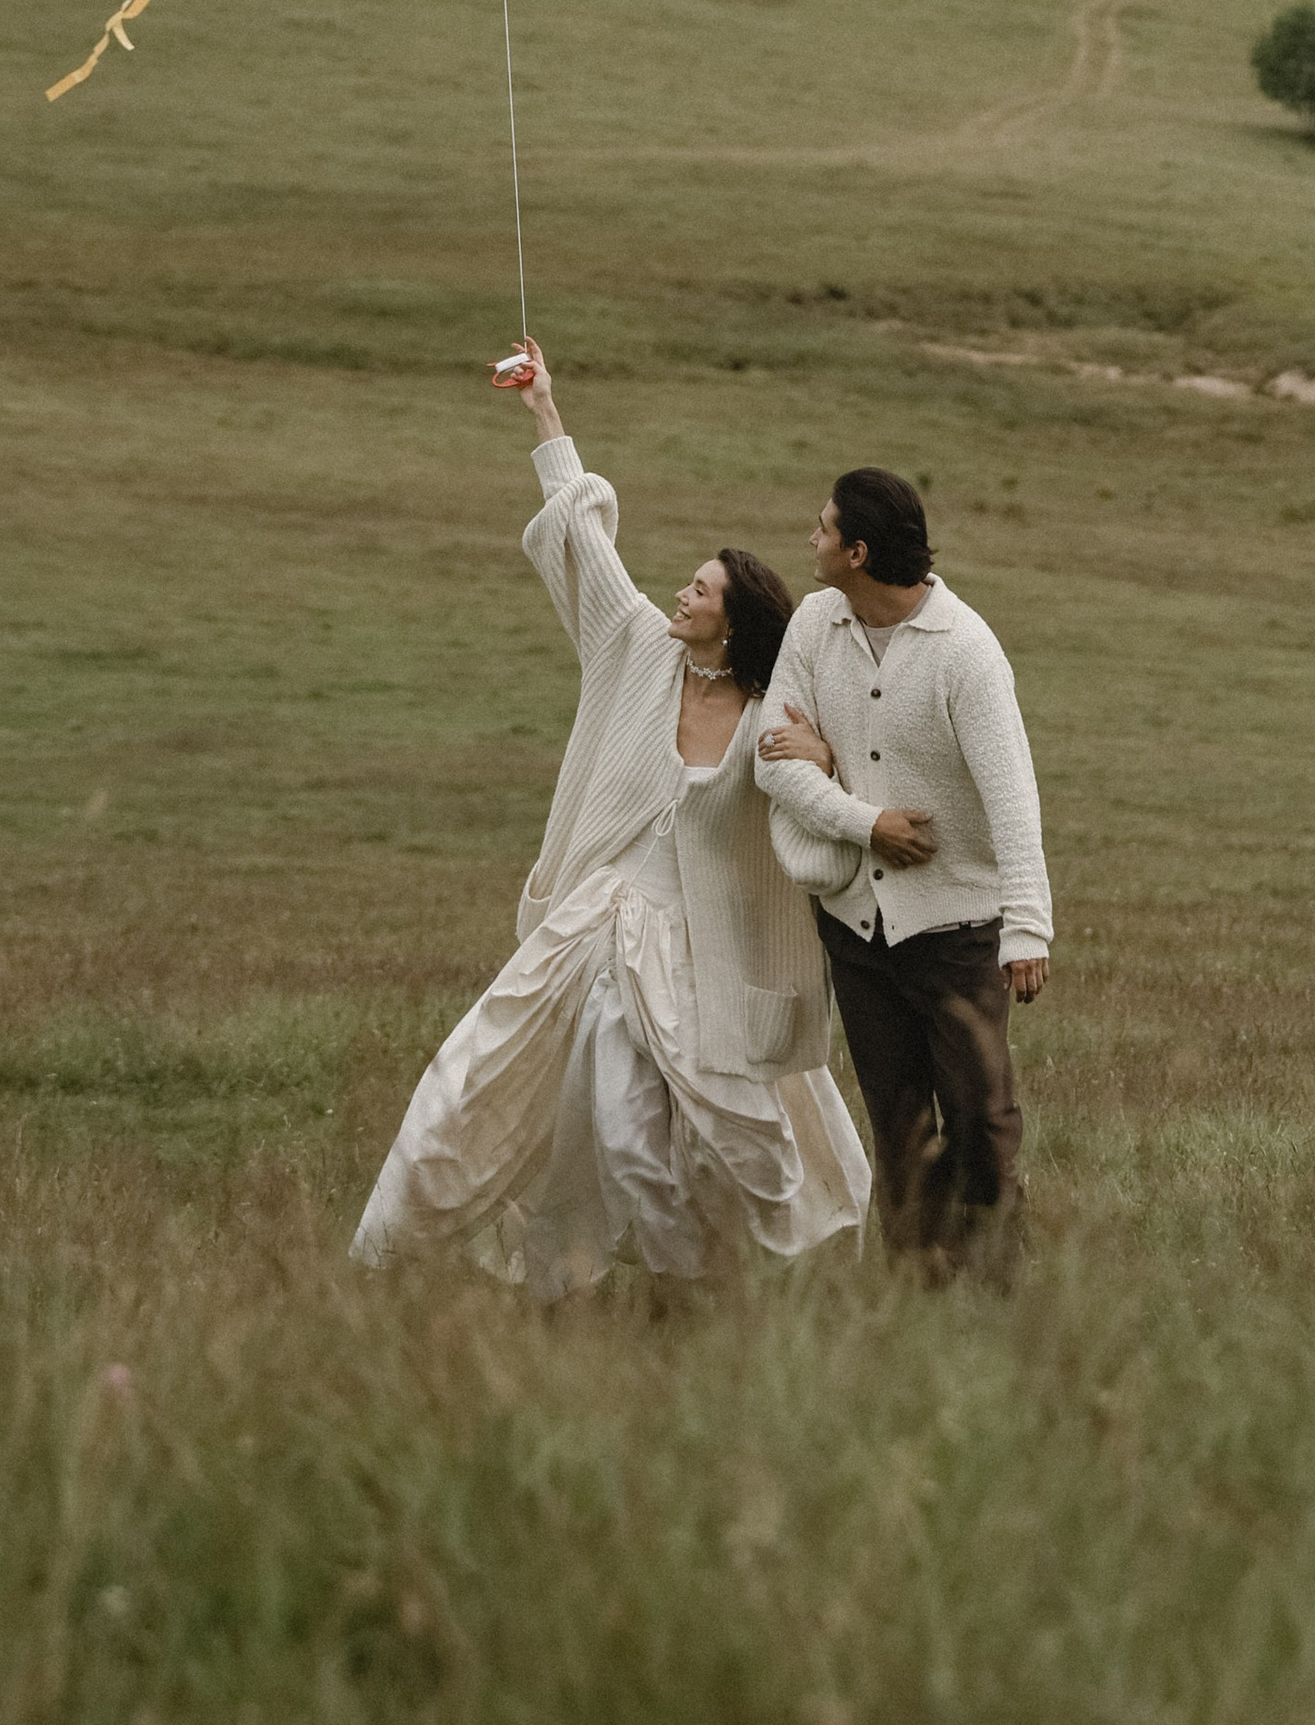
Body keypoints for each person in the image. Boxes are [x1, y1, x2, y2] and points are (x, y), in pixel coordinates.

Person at [352, 345, 870, 1295]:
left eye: (700, 590)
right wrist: (545, 413)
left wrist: (829, 766)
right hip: (596, 934)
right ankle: (426, 1247)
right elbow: (585, 544)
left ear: (734, 620)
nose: (681, 593)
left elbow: (816, 817)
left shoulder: (771, 720)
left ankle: (695, 1288)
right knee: (497, 1081)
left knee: (706, 1136)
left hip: (703, 958)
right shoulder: (635, 648)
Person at [754, 467, 1050, 1278]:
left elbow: (1012, 796)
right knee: (898, 1124)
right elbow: (772, 760)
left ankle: (999, 1287)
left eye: (822, 528)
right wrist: (866, 821)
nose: (810, 539)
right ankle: (917, 1290)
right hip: (856, 930)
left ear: (858, 552)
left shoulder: (966, 652)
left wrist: (1027, 928)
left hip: (959, 931)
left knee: (980, 1120)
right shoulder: (815, 623)